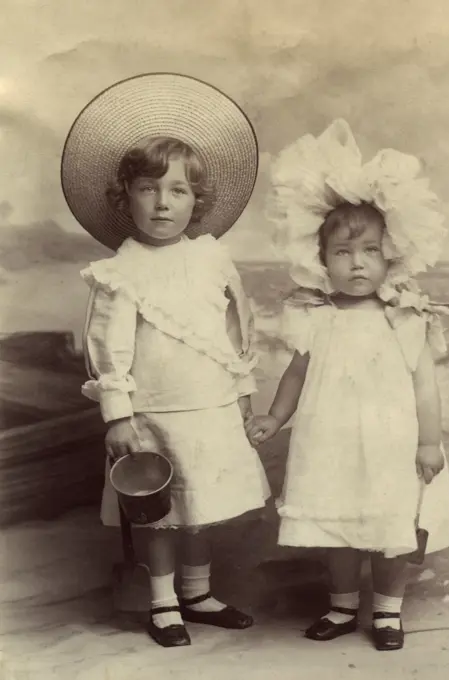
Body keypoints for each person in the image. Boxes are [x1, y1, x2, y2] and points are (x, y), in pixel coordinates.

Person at [61, 73, 269, 649]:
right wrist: (117, 415)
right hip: (153, 410)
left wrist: (243, 396)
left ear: (197, 202)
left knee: (199, 507)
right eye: (149, 189)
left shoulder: (212, 259)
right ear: (124, 196)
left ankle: (199, 592)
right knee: (158, 511)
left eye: (177, 191)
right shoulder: (120, 273)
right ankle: (162, 602)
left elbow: (235, 332)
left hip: (209, 403)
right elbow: (109, 350)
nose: (162, 202)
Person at [246, 119, 449, 651]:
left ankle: (388, 611)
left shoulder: (406, 317)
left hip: (391, 445)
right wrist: (275, 416)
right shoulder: (314, 315)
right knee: (337, 526)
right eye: (342, 253)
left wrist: (429, 440)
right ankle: (341, 605)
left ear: (392, 256)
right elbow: (296, 373)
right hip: (330, 442)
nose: (357, 263)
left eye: (369, 251)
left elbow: (425, 387)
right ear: (320, 260)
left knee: (393, 527)